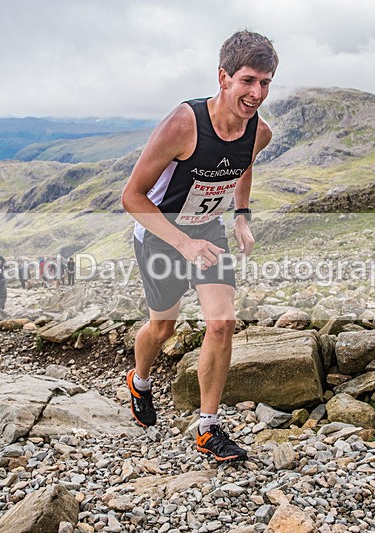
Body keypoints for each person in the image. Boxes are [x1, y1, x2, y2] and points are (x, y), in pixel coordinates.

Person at [121, 30, 277, 463]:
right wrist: (183, 242)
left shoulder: (258, 131)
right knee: (163, 328)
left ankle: (208, 429)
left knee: (222, 322)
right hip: (160, 235)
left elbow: (244, 165)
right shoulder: (184, 124)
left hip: (207, 233)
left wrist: (241, 216)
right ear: (223, 77)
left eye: (265, 83)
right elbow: (132, 196)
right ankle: (140, 380)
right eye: (248, 80)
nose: (256, 93)